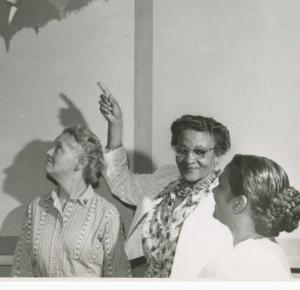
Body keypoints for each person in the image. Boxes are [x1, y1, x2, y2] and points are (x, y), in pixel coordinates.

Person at [97, 83, 233, 278]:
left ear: (217, 155)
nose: (189, 159)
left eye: (200, 152)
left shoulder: (225, 197)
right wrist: (115, 125)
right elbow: (120, 181)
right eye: (181, 150)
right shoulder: (164, 178)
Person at [11, 125, 132, 277]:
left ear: (81, 163)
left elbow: (119, 279)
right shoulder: (36, 208)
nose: (48, 152)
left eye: (58, 148)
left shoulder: (106, 214)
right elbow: (20, 273)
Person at [196, 154, 300, 280]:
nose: (213, 191)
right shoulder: (269, 251)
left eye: (221, 186)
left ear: (238, 204)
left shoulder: (230, 267)